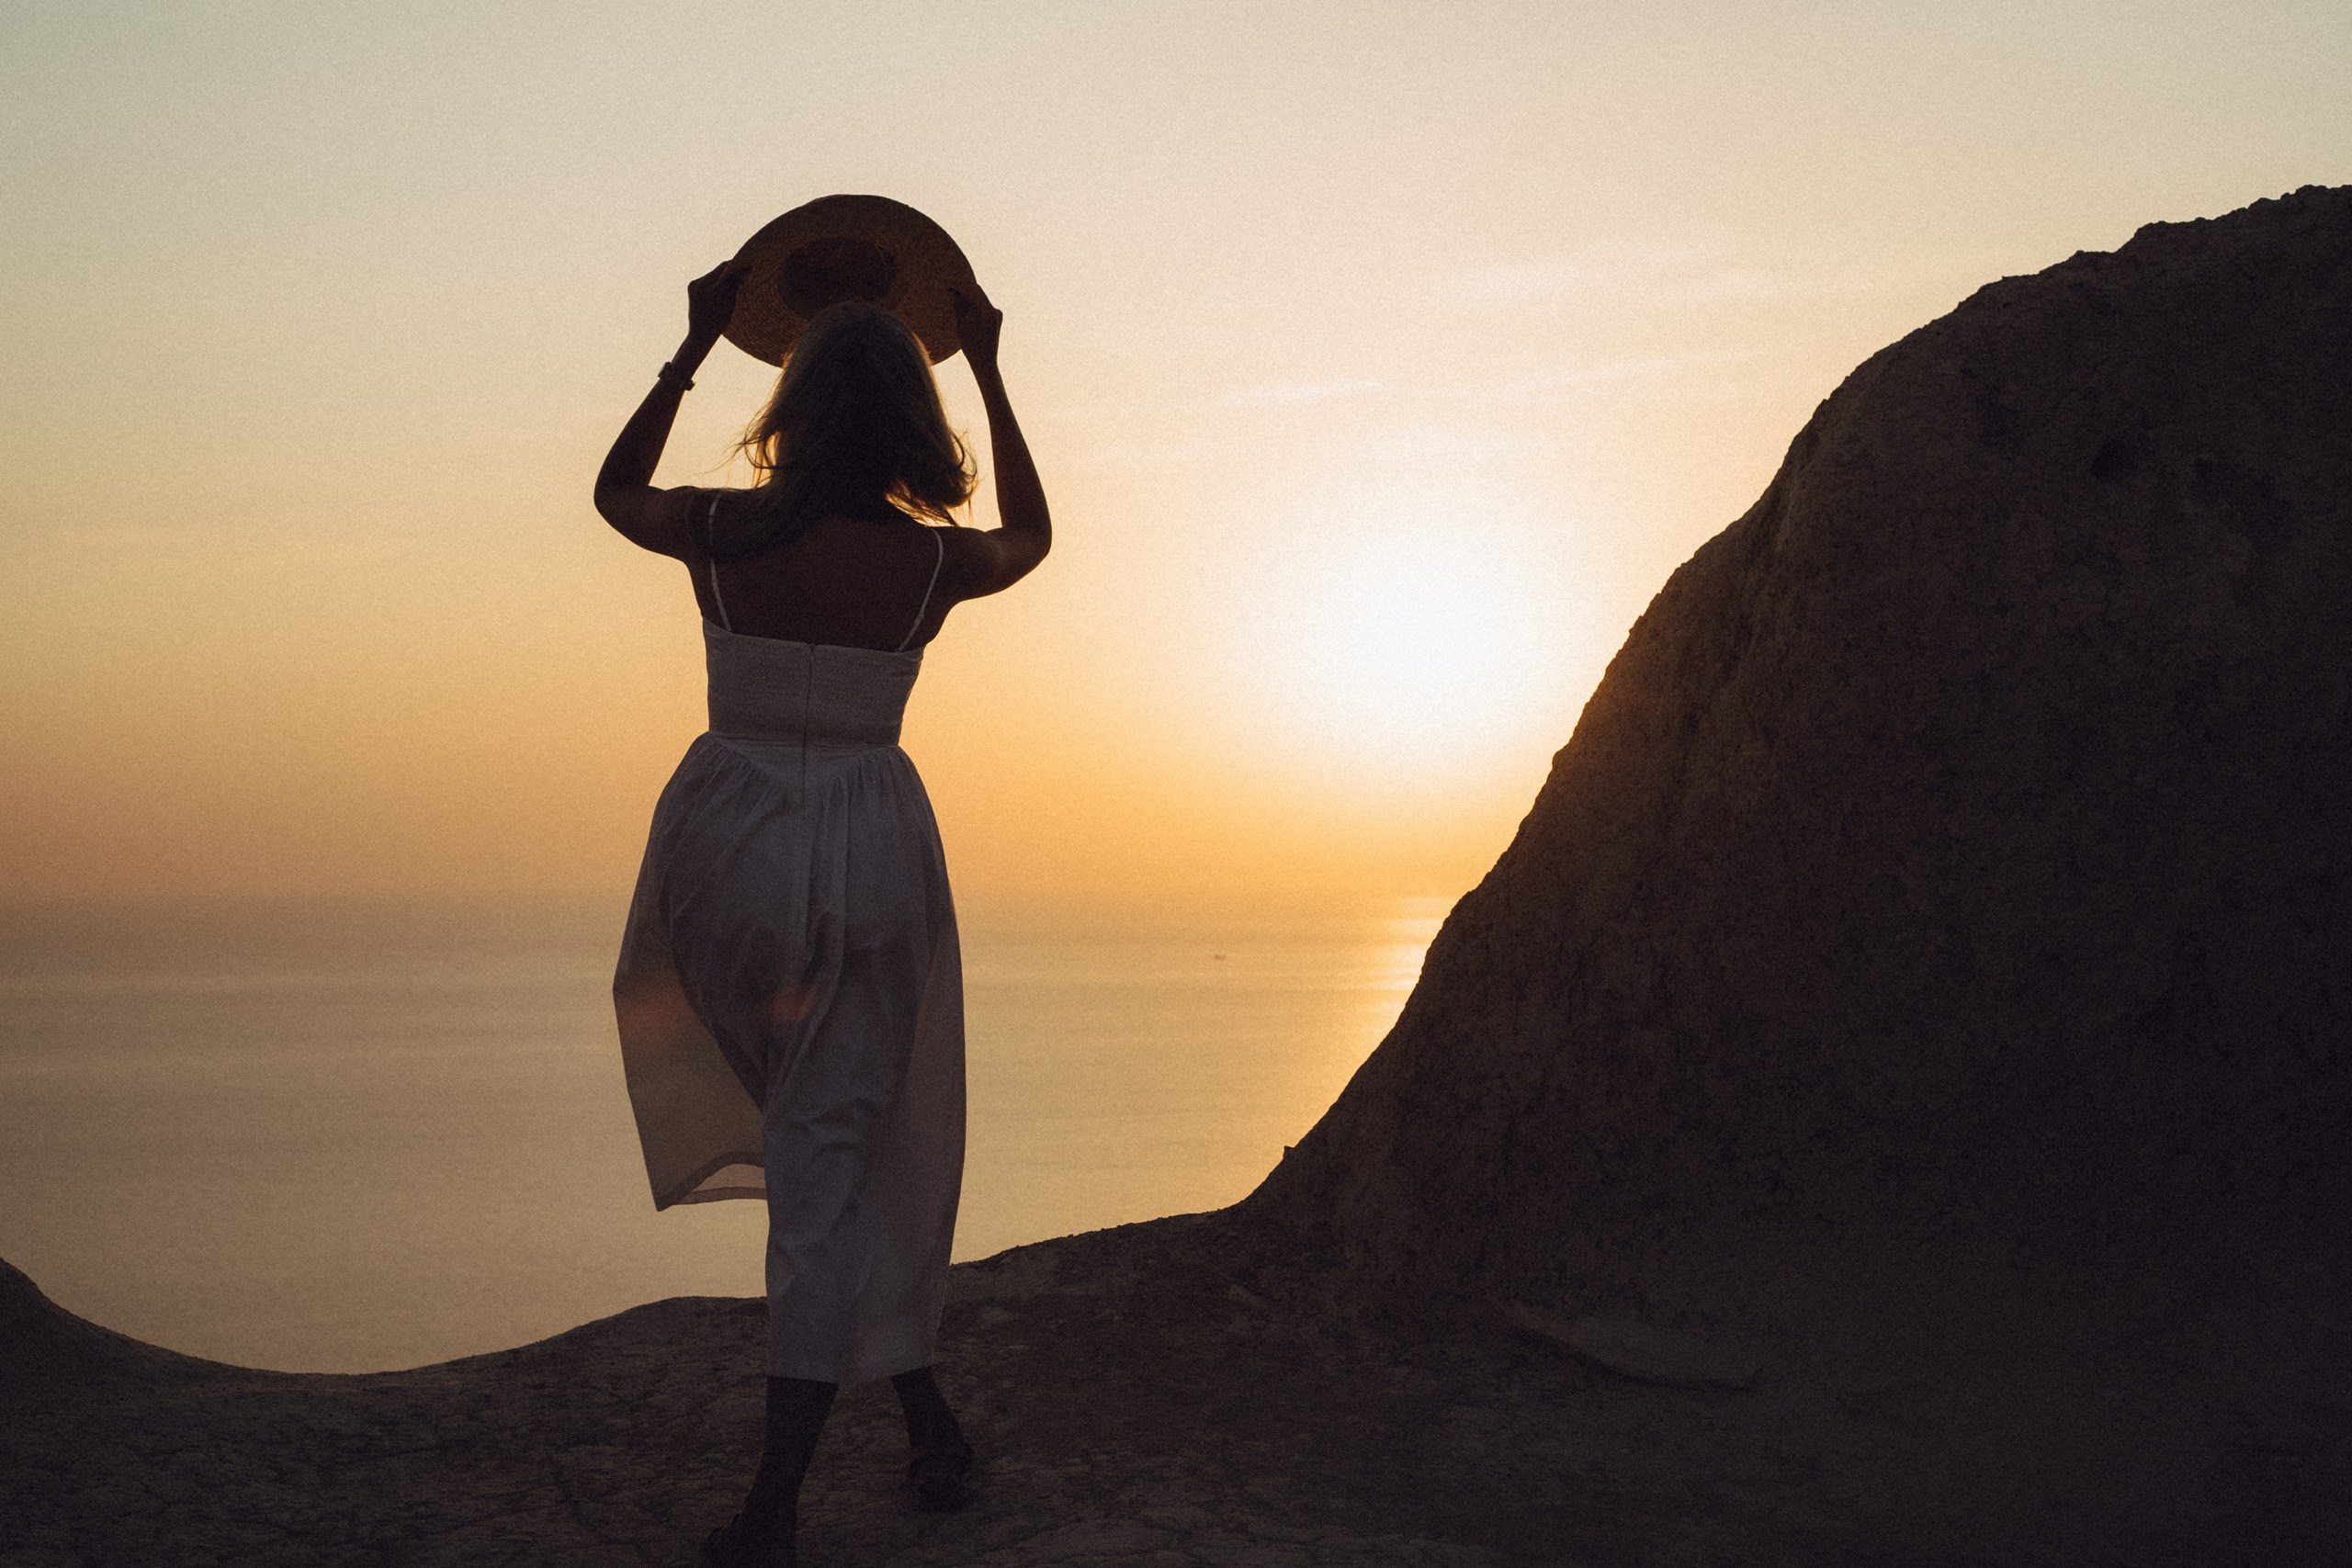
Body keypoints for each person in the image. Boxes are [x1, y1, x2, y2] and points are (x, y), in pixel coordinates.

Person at [594, 256, 1049, 1567]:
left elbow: (613, 491)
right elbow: (1033, 538)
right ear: (910, 424)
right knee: (833, 1160)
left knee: (826, 1155)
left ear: (789, 408)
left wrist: (688, 350)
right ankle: (774, 1511)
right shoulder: (925, 566)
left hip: (721, 843)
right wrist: (994, 369)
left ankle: (926, 1418)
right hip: (865, 852)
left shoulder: (723, 536)